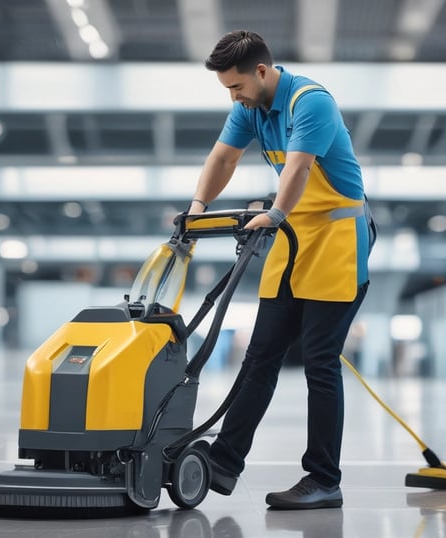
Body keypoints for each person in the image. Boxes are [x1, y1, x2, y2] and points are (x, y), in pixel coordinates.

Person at [188, 30, 374, 510]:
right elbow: (224, 156)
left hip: (336, 239)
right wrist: (197, 206)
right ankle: (225, 462)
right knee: (261, 354)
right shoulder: (250, 108)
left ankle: (323, 480)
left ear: (263, 72)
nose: (234, 97)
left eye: (237, 87)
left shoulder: (309, 102)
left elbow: (299, 169)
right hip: (293, 237)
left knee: (319, 363)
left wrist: (274, 214)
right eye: (228, 90)